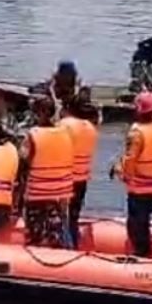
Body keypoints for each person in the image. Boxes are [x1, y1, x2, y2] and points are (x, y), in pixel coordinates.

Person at [111, 92, 152, 257]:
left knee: (136, 220)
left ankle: (141, 251)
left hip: (139, 183)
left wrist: (123, 174)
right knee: (146, 213)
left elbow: (130, 158)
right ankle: (144, 246)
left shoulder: (136, 133)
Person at [20, 97, 75, 248]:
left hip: (38, 192)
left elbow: (23, 159)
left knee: (34, 234)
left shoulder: (33, 134)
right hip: (61, 192)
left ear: (42, 113)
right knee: (60, 229)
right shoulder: (66, 133)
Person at [59, 96, 99, 248]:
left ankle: (66, 247)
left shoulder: (65, 125)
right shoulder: (90, 128)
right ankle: (73, 242)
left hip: (65, 178)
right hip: (82, 178)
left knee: (63, 216)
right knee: (73, 216)